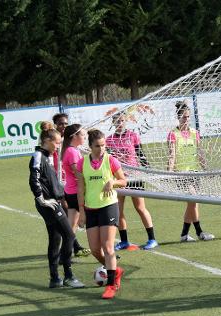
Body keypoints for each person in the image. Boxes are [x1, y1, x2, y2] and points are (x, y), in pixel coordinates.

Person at [29, 128, 84, 289]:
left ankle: (54, 278)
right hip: (49, 204)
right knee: (69, 235)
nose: (59, 146)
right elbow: (34, 179)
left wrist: (61, 196)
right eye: (57, 142)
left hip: (53, 201)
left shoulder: (47, 156)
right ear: (47, 140)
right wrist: (42, 199)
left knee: (55, 239)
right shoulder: (38, 156)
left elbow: (50, 181)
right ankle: (68, 275)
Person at [77, 129, 127, 299]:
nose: (101, 149)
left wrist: (112, 182)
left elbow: (124, 181)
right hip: (91, 209)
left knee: (108, 246)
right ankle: (115, 270)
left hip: (108, 206)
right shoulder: (81, 163)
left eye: (103, 145)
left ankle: (111, 285)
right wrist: (81, 212)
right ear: (90, 146)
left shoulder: (111, 160)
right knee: (94, 249)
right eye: (97, 146)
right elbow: (81, 188)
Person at [106, 113, 158, 250]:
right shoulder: (109, 140)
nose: (120, 123)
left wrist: (148, 168)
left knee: (140, 208)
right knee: (119, 210)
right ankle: (124, 241)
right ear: (113, 123)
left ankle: (152, 239)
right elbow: (108, 161)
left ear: (126, 121)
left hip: (135, 177)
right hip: (119, 179)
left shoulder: (132, 136)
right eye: (117, 121)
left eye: (122, 120)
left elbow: (140, 154)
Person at [167, 101, 215, 242]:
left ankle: (184, 234)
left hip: (195, 172)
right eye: (184, 117)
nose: (186, 119)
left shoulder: (195, 133)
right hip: (181, 174)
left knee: (193, 203)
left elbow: (200, 154)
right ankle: (199, 232)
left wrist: (206, 169)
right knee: (193, 199)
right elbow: (172, 155)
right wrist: (169, 171)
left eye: (188, 117)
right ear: (178, 117)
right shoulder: (173, 134)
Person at [60, 124, 92, 258]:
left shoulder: (71, 150)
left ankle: (64, 255)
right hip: (76, 192)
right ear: (74, 136)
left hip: (71, 191)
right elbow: (78, 173)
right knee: (94, 223)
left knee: (71, 226)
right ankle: (104, 252)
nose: (85, 137)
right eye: (83, 135)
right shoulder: (72, 152)